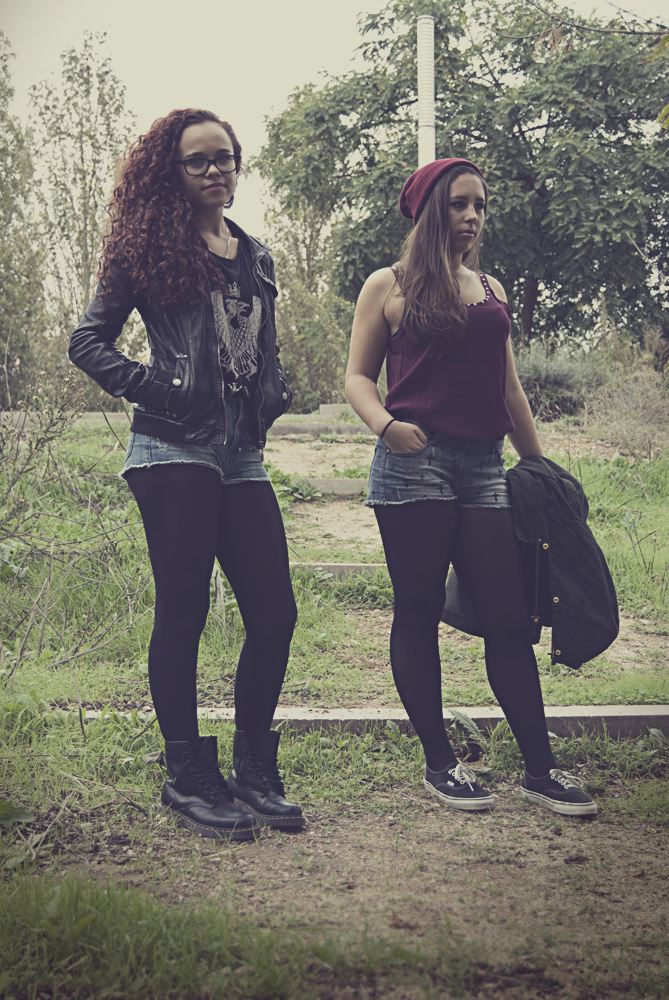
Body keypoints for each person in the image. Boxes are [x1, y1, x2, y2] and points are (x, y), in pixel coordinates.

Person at [70, 109, 305, 840]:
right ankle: (187, 774)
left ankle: (252, 767)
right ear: (169, 172)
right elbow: (87, 341)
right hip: (172, 448)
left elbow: (259, 346)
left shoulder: (256, 256)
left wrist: (273, 392)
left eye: (224, 157)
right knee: (184, 611)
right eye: (197, 160)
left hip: (241, 454)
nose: (214, 170)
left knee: (275, 612)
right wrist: (159, 390)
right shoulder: (147, 249)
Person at [345, 158, 597, 817]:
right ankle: (441, 763)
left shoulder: (489, 288)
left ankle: (539, 770)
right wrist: (386, 426)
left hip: (485, 466)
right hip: (413, 462)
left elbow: (508, 387)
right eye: (459, 203)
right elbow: (357, 378)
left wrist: (539, 468)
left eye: (480, 205)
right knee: (418, 609)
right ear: (432, 210)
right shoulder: (388, 285)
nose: (472, 216)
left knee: (507, 617)